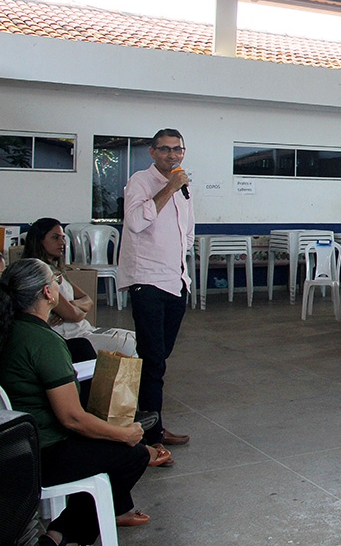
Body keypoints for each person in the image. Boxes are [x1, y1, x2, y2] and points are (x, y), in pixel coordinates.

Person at [0, 259, 153, 545]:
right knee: (134, 455)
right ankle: (60, 534)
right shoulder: (41, 341)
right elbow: (71, 418)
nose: (57, 283)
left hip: (10, 448)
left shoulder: (3, 327)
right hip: (43, 452)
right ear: (48, 293)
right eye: (54, 279)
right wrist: (125, 434)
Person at [117, 128, 194, 447]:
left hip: (176, 281)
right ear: (152, 152)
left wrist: (181, 258)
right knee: (152, 360)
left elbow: (187, 230)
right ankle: (150, 435)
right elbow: (135, 222)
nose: (172, 155)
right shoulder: (140, 181)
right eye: (165, 149)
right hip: (147, 280)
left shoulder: (185, 186)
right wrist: (169, 189)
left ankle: (148, 424)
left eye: (177, 149)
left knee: (160, 357)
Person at [23, 218, 137, 356]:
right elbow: (73, 315)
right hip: (72, 337)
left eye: (63, 238)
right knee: (134, 347)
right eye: (55, 238)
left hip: (86, 329)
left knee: (139, 338)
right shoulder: (40, 274)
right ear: (39, 240)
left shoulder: (57, 271)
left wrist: (71, 306)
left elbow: (87, 300)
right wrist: (73, 311)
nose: (62, 243)